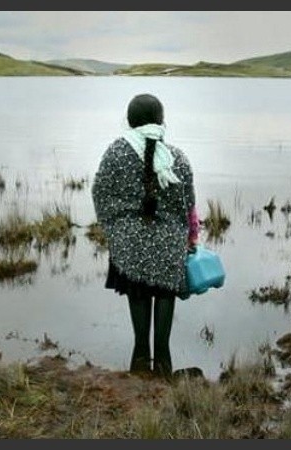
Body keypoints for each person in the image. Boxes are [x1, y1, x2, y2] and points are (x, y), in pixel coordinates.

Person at [91, 94, 200, 378]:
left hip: (129, 249)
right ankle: (163, 374)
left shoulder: (115, 152)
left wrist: (113, 231)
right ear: (162, 121)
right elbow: (189, 206)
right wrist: (191, 239)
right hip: (168, 250)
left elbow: (100, 195)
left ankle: (139, 371)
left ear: (129, 121)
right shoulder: (178, 158)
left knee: (140, 342)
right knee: (163, 336)